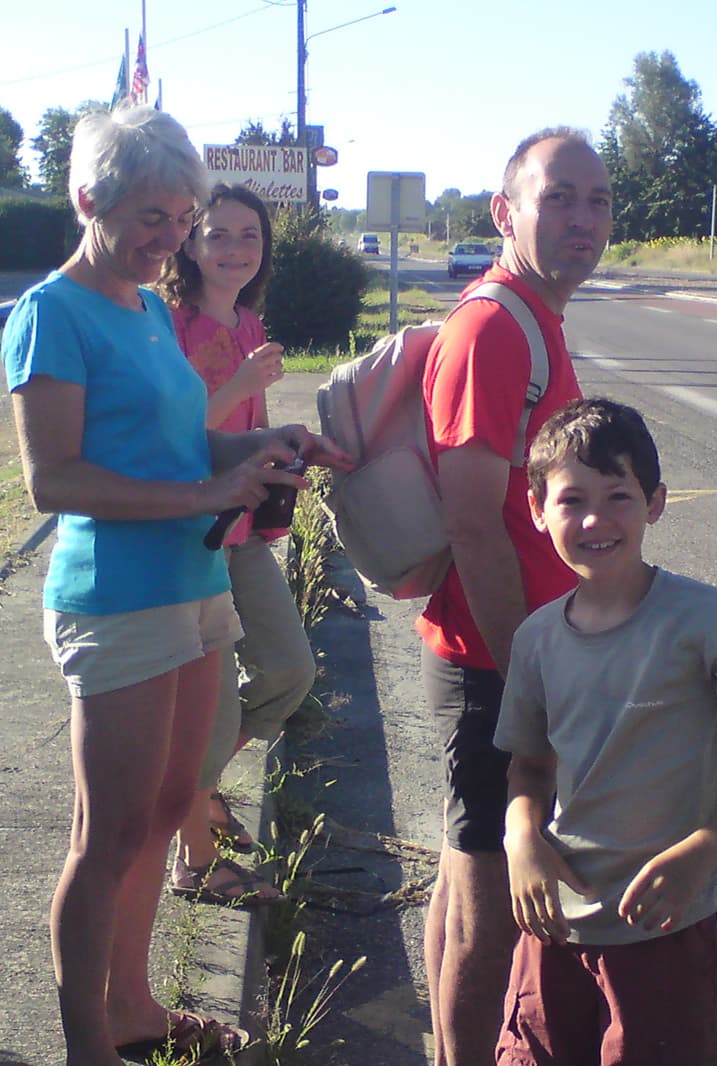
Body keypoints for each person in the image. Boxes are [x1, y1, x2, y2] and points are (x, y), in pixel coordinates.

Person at [0, 105, 346, 1066]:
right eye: (151, 217)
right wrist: (210, 486)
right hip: (116, 597)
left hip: (195, 581)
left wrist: (268, 446)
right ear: (87, 200)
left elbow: (186, 441)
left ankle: (136, 1009)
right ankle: (87, 1048)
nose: (173, 238)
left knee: (165, 810)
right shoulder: (50, 314)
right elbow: (54, 479)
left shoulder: (150, 309)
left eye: (182, 216)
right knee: (104, 835)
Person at [494, 397, 717, 1066]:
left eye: (619, 496)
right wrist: (520, 837)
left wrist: (706, 849)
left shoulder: (706, 621)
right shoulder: (537, 639)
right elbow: (531, 768)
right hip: (551, 932)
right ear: (538, 509)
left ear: (656, 502)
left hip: (661, 932)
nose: (596, 519)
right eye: (572, 499)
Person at [417, 128, 613, 1065]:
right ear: (507, 211)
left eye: (599, 201)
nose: (583, 219)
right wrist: (528, 675)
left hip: (505, 656)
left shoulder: (534, 316)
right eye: (559, 198)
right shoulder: (495, 327)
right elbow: (470, 520)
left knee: (468, 890)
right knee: (490, 914)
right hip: (494, 662)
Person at [156, 182, 316, 904]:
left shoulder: (249, 322)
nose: (234, 250)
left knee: (290, 670)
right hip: (194, 534)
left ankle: (204, 789)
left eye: (248, 236)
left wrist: (290, 450)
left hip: (247, 530)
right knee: (211, 712)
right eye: (218, 235)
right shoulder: (171, 324)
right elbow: (173, 435)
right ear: (191, 244)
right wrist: (245, 381)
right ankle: (194, 857)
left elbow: (244, 430)